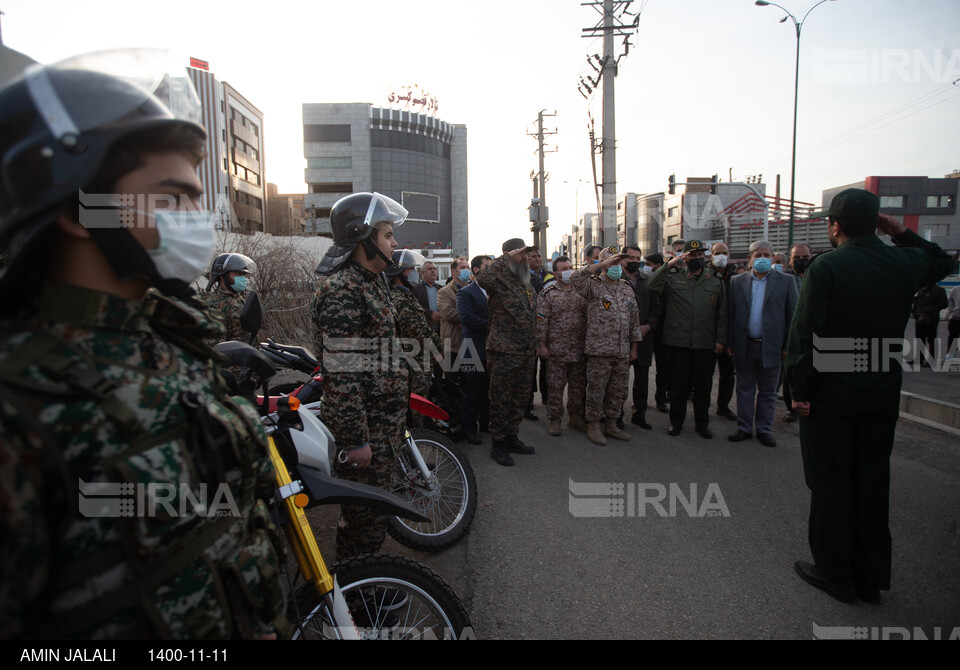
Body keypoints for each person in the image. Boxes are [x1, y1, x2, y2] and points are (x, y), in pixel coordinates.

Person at [0, 54, 286, 639]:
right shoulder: (18, 407)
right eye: (172, 199)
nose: (194, 222)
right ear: (85, 210)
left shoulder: (169, 340)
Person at [786, 188, 954, 605]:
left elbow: (806, 332)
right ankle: (870, 577)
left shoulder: (827, 267)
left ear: (835, 225)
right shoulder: (905, 260)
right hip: (881, 388)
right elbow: (945, 261)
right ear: (879, 222)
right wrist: (900, 232)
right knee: (873, 483)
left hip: (831, 392)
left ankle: (835, 573)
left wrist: (798, 388)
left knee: (831, 482)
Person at [312, 192, 409, 560]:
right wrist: (355, 440)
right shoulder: (343, 290)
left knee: (374, 514)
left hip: (383, 423)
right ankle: (355, 594)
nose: (394, 242)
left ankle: (363, 581)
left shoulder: (372, 283)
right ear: (363, 236)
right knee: (362, 519)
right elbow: (342, 375)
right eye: (387, 234)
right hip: (367, 429)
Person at [648, 239, 728, 439]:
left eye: (700, 255)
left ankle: (702, 424)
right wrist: (671, 263)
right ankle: (676, 423)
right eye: (692, 255)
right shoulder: (673, 277)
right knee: (678, 386)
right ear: (684, 257)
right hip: (678, 341)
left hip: (705, 341)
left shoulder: (715, 280)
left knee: (703, 387)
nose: (697, 258)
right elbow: (651, 284)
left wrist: (720, 340)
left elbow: (722, 314)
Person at [726, 241, 798, 447]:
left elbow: (792, 316)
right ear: (750, 259)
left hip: (773, 346)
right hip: (745, 344)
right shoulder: (737, 282)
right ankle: (744, 428)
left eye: (767, 255)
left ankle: (764, 429)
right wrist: (731, 341)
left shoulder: (786, 281)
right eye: (758, 255)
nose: (763, 258)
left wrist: (787, 346)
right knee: (744, 388)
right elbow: (731, 315)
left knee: (768, 392)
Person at [475, 238, 538, 466]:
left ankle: (512, 437)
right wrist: (507, 256)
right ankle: (498, 444)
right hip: (503, 352)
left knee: (519, 399)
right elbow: (481, 278)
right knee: (501, 400)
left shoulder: (527, 284)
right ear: (509, 256)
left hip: (526, 353)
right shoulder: (498, 280)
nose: (526, 258)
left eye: (526, 254)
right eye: (521, 254)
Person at [571, 246, 641, 445]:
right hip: (599, 350)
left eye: (618, 262)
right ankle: (593, 426)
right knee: (596, 390)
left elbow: (634, 319)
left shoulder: (626, 288)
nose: (616, 266)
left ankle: (611, 425)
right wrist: (601, 264)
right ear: (603, 264)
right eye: (612, 262)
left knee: (618, 390)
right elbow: (576, 278)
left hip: (621, 350)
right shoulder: (593, 285)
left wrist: (634, 347)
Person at [386, 249, 442, 427]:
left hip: (418, 360)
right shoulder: (399, 298)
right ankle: (415, 441)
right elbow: (419, 331)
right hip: (415, 363)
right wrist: (439, 345)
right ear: (399, 272)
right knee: (415, 409)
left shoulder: (405, 294)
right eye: (411, 269)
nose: (414, 273)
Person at [536, 255, 588, 436]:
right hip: (556, 351)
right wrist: (541, 345)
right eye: (565, 268)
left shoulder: (582, 291)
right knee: (555, 387)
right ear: (556, 273)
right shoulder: (547, 294)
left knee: (578, 387)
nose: (569, 271)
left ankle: (575, 417)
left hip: (579, 350)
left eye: (570, 267)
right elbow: (541, 322)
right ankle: (555, 419)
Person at [620, 245, 660, 429]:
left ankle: (639, 414)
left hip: (643, 337)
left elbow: (656, 307)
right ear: (622, 259)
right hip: (620, 338)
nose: (635, 262)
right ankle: (616, 414)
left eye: (638, 258)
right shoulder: (614, 279)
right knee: (619, 379)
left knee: (642, 380)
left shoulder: (648, 280)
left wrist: (649, 325)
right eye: (631, 258)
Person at [457, 255, 493, 444]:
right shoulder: (466, 292)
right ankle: (468, 428)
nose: (491, 270)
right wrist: (493, 325)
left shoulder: (494, 291)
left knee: (488, 388)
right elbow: (467, 318)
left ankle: (486, 423)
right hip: (473, 347)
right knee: (473, 389)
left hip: (491, 348)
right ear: (476, 270)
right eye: (487, 267)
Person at [782, 242, 814, 421]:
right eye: (797, 258)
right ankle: (791, 407)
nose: (801, 261)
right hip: (792, 333)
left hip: (814, 332)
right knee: (790, 372)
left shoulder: (817, 276)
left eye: (805, 257)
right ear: (790, 260)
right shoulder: (785, 278)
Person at [708, 242, 736, 422]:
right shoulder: (705, 276)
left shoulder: (736, 279)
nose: (721, 256)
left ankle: (723, 406)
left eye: (724, 252)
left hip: (729, 335)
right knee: (704, 373)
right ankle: (701, 404)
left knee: (727, 373)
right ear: (710, 256)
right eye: (717, 253)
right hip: (708, 334)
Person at [203, 252, 257, 344]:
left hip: (248, 355)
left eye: (242, 274)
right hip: (235, 356)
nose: (242, 278)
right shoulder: (214, 305)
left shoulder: (237, 299)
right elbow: (216, 345)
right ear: (223, 277)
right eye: (237, 274)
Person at [645, 252, 671, 413]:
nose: (646, 267)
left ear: (658, 266)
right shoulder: (644, 279)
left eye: (649, 264)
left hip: (662, 329)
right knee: (642, 368)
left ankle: (660, 398)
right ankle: (640, 402)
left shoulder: (667, 280)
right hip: (647, 329)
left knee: (663, 368)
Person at [438, 257, 469, 381]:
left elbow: (481, 311)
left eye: (468, 267)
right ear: (453, 271)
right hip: (452, 345)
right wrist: (468, 319)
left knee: (468, 383)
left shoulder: (473, 290)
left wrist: (467, 319)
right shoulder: (444, 292)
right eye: (463, 267)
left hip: (468, 344)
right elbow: (448, 313)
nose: (466, 270)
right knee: (452, 382)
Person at [912, 282, 948, 366]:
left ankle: (932, 360)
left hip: (931, 318)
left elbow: (944, 304)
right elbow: (916, 303)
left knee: (931, 339)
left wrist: (929, 310)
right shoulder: (921, 290)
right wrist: (915, 313)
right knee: (919, 338)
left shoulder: (938, 290)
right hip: (919, 318)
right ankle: (919, 359)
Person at [412, 259, 442, 333]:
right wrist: (430, 314)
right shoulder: (416, 289)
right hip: (425, 329)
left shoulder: (441, 289)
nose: (433, 271)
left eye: (434, 269)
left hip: (441, 329)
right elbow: (415, 307)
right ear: (423, 272)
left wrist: (440, 314)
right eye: (429, 269)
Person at [947, 283, 960, 357]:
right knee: (952, 337)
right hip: (955, 317)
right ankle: (950, 354)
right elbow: (950, 300)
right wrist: (952, 310)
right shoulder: (955, 289)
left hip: (954, 316)